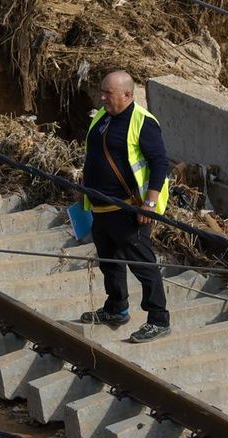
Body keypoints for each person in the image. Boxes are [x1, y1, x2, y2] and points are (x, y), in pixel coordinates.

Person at [76, 71, 174, 344]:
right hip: (101, 208)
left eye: (108, 93)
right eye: (102, 91)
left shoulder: (142, 122)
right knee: (110, 262)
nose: (102, 97)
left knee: (143, 265)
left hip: (129, 211)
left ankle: (158, 319)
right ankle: (116, 308)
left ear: (128, 95)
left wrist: (149, 204)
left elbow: (160, 164)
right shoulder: (102, 117)